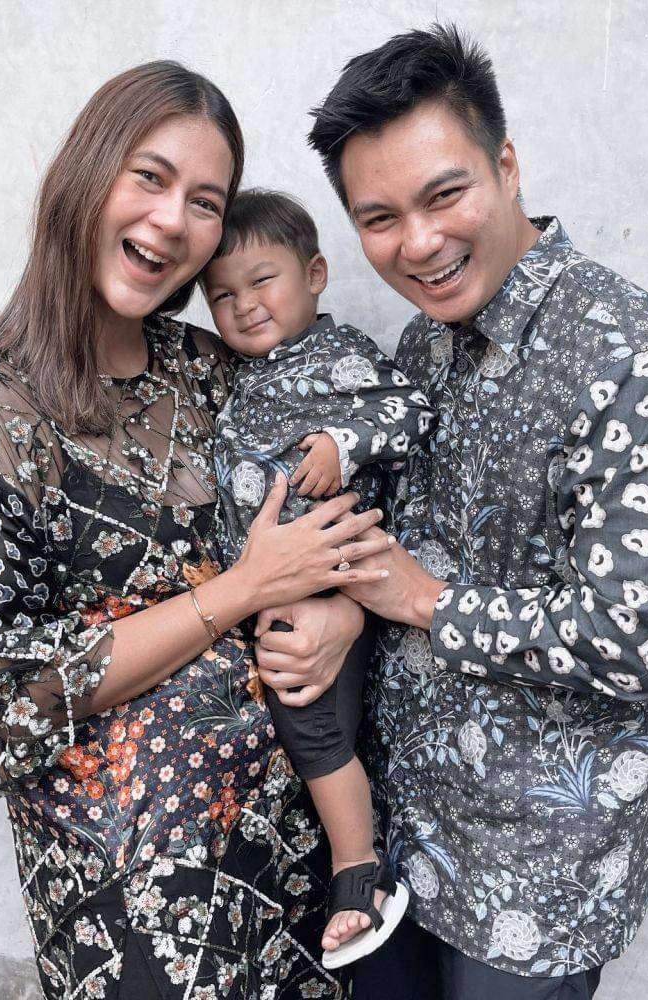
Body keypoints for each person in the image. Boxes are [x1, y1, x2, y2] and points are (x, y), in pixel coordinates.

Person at [255, 23, 648, 999]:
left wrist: (425, 602)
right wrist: (349, 610)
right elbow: (398, 548)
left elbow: (644, 637)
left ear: (505, 167)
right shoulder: (423, 347)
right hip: (410, 835)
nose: (419, 243)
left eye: (445, 195)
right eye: (380, 217)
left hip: (537, 871)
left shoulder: (622, 351)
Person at [0, 61, 393, 1000]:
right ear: (85, 176)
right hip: (138, 894)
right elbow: (3, 692)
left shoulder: (211, 368)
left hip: (287, 860)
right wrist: (241, 591)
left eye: (206, 201)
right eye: (151, 177)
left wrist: (344, 616)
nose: (175, 220)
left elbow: (336, 517)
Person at [201, 188, 436, 966]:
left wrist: (343, 441)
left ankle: (358, 874)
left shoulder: (339, 357)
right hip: (274, 586)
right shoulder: (241, 375)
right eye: (222, 296)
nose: (244, 305)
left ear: (315, 275)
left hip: (331, 581)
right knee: (304, 724)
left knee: (310, 722)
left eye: (262, 281)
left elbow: (411, 411)